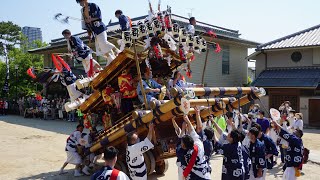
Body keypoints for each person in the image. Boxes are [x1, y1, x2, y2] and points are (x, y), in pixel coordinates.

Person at [76, 0, 121, 65]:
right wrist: (89, 33)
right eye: (79, 2)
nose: (80, 4)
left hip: (99, 28)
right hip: (94, 31)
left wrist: (91, 19)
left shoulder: (93, 5)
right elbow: (85, 24)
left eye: (80, 2)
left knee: (103, 42)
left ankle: (117, 51)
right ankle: (110, 57)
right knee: (100, 48)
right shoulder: (82, 11)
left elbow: (99, 16)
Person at [179, 115, 211, 180]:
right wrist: (188, 120)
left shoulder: (186, 153)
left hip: (197, 176)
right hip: (205, 173)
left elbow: (189, 166)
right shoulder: (199, 144)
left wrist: (183, 129)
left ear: (184, 146)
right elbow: (192, 131)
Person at [194, 107, 214, 173]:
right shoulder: (210, 143)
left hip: (201, 168)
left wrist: (197, 114)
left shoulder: (205, 142)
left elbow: (199, 127)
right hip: (207, 167)